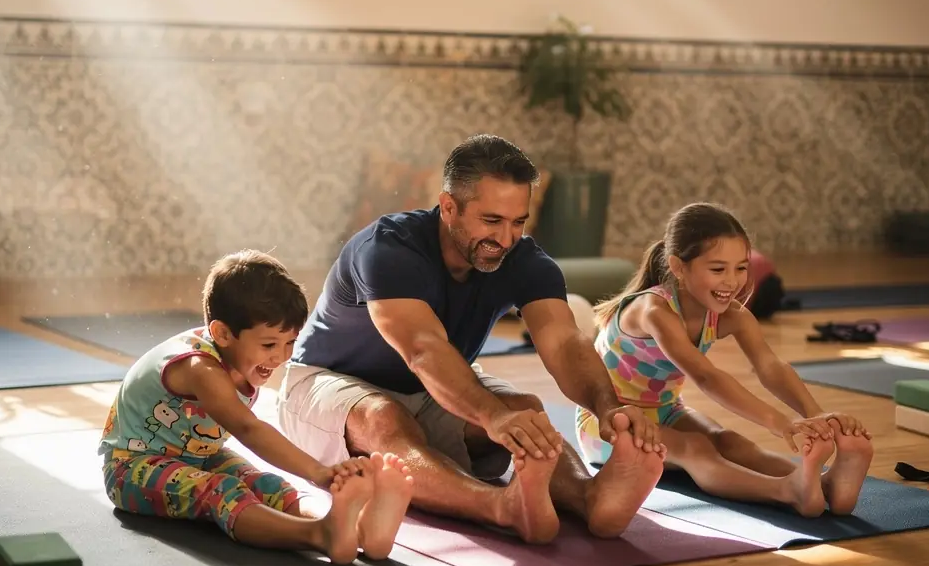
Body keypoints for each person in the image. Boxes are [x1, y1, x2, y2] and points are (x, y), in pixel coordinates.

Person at [278, 134, 666, 545]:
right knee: (387, 417)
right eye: (492, 221)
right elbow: (423, 349)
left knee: (526, 411)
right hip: (325, 383)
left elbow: (564, 341)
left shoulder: (525, 260)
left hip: (429, 389)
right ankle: (501, 507)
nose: (506, 238)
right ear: (448, 207)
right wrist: (491, 417)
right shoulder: (389, 249)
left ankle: (591, 499)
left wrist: (608, 406)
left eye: (519, 222)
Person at [98, 250, 413, 563]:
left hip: (200, 457)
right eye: (269, 345)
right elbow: (248, 427)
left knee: (266, 484)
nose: (280, 357)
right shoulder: (200, 369)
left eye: (290, 342)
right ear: (223, 333)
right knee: (221, 491)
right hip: (131, 469)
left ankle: (359, 532)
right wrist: (319, 472)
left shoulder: (241, 360)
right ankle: (318, 534)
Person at [578, 203, 874, 516]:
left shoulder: (732, 315)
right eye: (718, 270)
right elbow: (706, 377)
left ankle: (826, 485)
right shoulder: (654, 312)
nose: (732, 281)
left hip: (665, 412)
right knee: (695, 448)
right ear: (679, 267)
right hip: (608, 425)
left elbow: (769, 367)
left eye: (741, 267)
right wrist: (782, 422)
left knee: (729, 442)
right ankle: (787, 491)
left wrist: (818, 417)